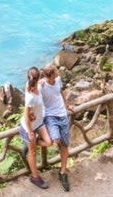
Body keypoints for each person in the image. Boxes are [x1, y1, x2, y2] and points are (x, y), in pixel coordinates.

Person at [40, 64, 74, 192]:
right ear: (51, 74)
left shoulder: (58, 80)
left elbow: (60, 92)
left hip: (62, 114)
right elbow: (30, 91)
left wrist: (67, 105)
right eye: (56, 71)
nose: (58, 71)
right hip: (50, 116)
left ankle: (62, 172)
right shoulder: (42, 85)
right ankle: (32, 143)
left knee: (64, 145)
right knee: (56, 140)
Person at [19, 66, 53, 189]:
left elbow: (36, 81)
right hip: (28, 126)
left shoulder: (33, 83)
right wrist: (29, 132)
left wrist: (43, 80)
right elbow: (26, 115)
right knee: (32, 152)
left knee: (49, 142)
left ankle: (28, 145)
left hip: (39, 122)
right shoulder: (30, 96)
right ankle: (35, 177)